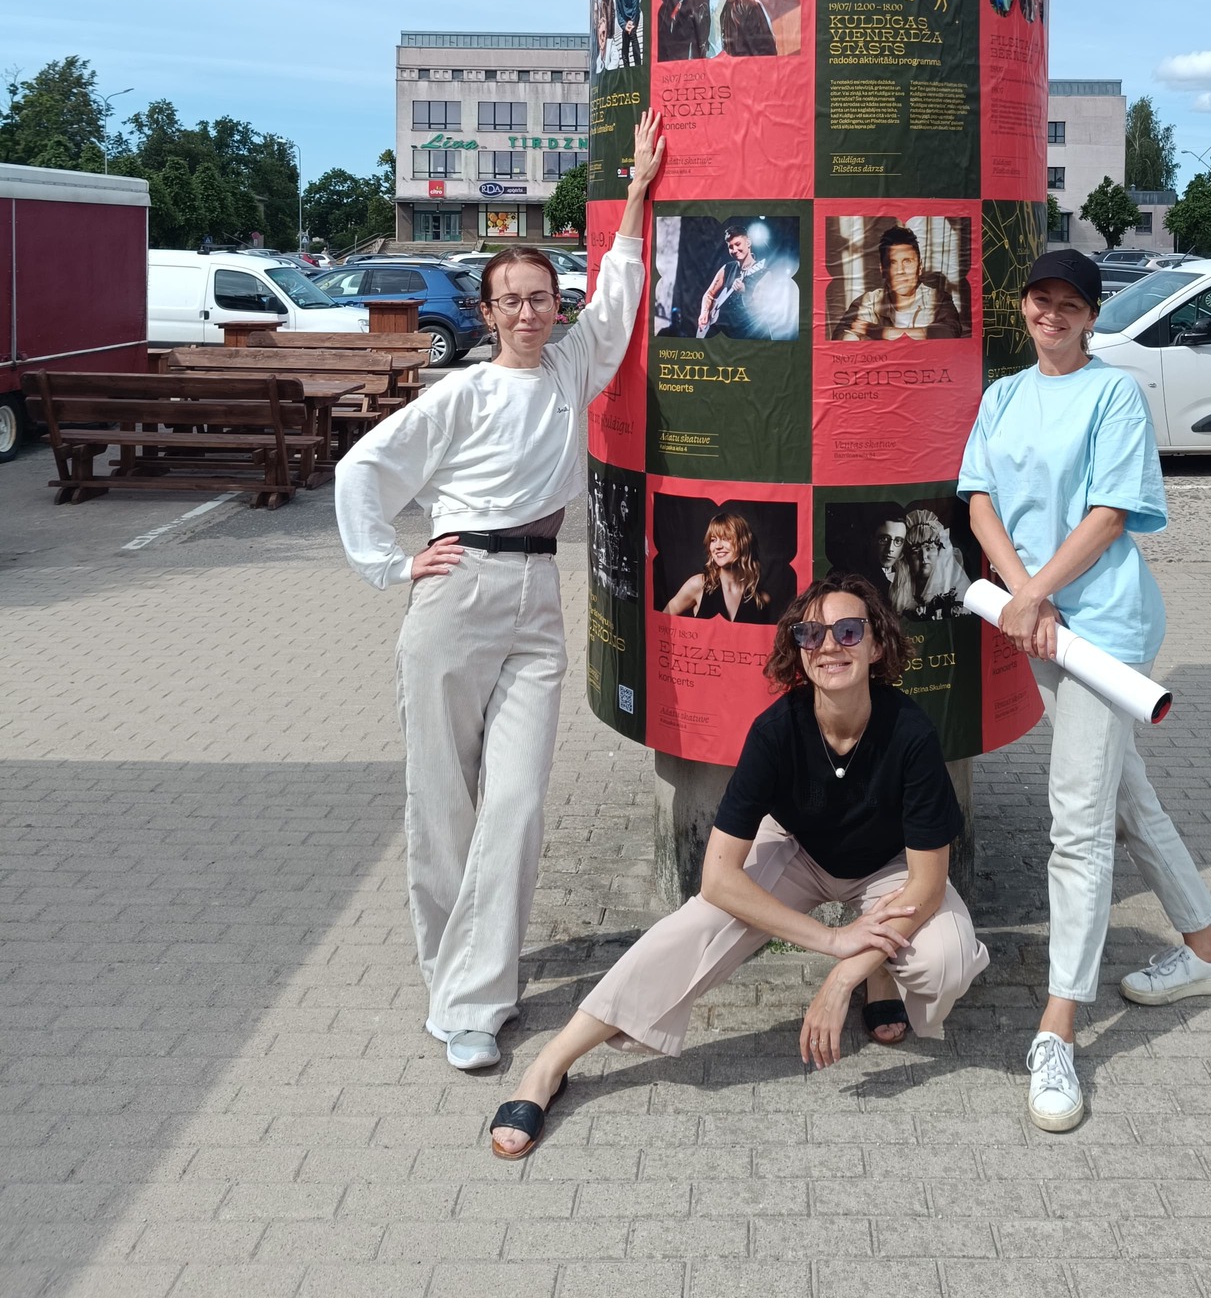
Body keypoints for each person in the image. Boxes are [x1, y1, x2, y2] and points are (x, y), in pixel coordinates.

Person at [334, 111, 666, 1073]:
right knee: (442, 801)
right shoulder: (461, 395)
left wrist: (637, 193)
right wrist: (392, 566)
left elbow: (619, 294)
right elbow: (363, 471)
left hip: (537, 598)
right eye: (511, 301)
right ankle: (463, 991)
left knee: (514, 804)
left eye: (540, 297)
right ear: (486, 313)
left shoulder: (571, 367)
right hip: (457, 594)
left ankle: (470, 986)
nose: (528, 313)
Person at [486, 575, 990, 1158]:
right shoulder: (776, 731)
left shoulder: (912, 733)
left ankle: (877, 977)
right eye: (812, 634)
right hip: (799, 849)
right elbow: (719, 878)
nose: (830, 645)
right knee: (695, 925)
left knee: (946, 959)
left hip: (889, 870)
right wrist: (831, 940)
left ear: (877, 645)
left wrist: (842, 975)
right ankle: (551, 1064)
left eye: (849, 631)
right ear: (800, 649)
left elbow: (927, 885)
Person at [958, 247, 1211, 1135]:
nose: (1053, 314)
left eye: (1069, 303)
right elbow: (979, 499)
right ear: (1024, 308)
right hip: (1038, 623)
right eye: (1041, 299)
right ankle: (1205, 951)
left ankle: (1058, 1029)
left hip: (1103, 629)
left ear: (1091, 314)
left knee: (1076, 819)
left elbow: (1110, 514)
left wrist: (1035, 596)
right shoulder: (1003, 395)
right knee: (1122, 795)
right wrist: (1021, 595)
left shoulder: (1114, 394)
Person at [833, 225, 963, 341]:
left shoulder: (939, 300)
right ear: (882, 270)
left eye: (907, 261)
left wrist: (880, 332)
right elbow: (842, 338)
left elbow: (949, 333)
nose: (900, 271)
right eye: (892, 263)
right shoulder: (868, 302)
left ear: (920, 267)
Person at [663, 509, 787, 622]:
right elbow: (661, 622)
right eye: (713, 540)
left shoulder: (762, 599)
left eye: (726, 538)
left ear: (743, 543)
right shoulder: (698, 585)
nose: (717, 546)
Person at [697, 217, 798, 340]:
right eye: (730, 246)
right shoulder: (727, 268)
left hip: (750, 336)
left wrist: (744, 291)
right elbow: (709, 294)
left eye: (738, 244)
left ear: (748, 243)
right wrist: (704, 312)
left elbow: (760, 310)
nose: (734, 250)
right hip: (728, 333)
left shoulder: (764, 273)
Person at [612, 0, 643, 68]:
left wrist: (633, 22)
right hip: (626, 22)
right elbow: (618, 12)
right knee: (624, 48)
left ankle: (638, 67)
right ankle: (626, 69)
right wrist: (625, 25)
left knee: (633, 36)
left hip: (633, 16)